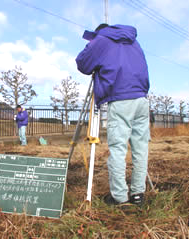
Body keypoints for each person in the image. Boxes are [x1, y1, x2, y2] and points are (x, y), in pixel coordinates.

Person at [76, 23, 150, 206]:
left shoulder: (102, 39)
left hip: (120, 98)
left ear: (99, 31)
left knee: (118, 149)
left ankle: (120, 197)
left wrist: (93, 43)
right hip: (141, 99)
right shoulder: (133, 40)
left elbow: (83, 64)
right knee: (140, 149)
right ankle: (138, 194)